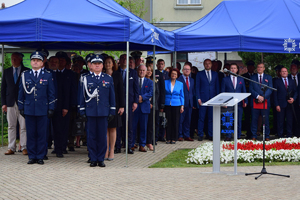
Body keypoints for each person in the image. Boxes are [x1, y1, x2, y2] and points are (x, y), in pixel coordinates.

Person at [18, 51, 55, 164]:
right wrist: (21, 107)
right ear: (31, 62)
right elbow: (21, 92)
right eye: (33, 60)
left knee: (41, 134)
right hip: (29, 109)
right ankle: (32, 156)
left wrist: (51, 108)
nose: (35, 62)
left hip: (42, 109)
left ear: (42, 63)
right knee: (31, 133)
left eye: (38, 60)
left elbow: (51, 93)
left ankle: (40, 156)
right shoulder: (25, 75)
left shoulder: (48, 75)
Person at [79, 54, 115, 167]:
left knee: (102, 137)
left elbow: (112, 96)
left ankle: (101, 158)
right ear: (91, 66)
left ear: (102, 65)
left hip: (103, 112)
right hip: (91, 111)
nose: (97, 65)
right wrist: (82, 110)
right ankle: (93, 158)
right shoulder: (85, 79)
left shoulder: (108, 78)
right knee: (91, 137)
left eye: (99, 63)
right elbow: (81, 96)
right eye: (95, 64)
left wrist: (112, 110)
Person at [1, 52, 29, 155]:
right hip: (10, 103)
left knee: (24, 126)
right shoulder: (7, 71)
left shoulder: (26, 71)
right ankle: (11, 147)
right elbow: (3, 89)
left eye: (15, 59)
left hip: (23, 103)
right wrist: (3, 103)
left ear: (21, 59)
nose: (13, 61)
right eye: (12, 59)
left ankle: (24, 147)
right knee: (11, 125)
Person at [116, 54, 139, 154]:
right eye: (123, 59)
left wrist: (135, 102)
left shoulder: (133, 72)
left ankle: (129, 146)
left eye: (126, 59)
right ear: (119, 61)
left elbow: (136, 88)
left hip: (129, 102)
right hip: (118, 102)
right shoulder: (116, 73)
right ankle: (117, 146)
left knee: (128, 125)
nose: (125, 60)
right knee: (118, 125)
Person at [52, 51, 72, 157]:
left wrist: (67, 106)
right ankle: (56, 147)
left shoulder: (70, 74)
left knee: (63, 129)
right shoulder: (52, 73)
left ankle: (62, 148)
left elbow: (70, 92)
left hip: (64, 106)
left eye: (62, 60)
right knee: (54, 129)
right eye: (58, 60)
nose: (60, 62)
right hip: (53, 106)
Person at [104, 56, 124, 160]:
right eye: (106, 62)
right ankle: (105, 150)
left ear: (113, 64)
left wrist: (122, 106)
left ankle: (112, 150)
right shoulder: (102, 75)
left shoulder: (117, 75)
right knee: (105, 128)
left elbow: (121, 91)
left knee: (113, 128)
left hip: (115, 105)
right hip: (104, 105)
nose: (107, 64)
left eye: (109, 62)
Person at [221, 63, 247, 141]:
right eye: (231, 68)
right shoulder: (225, 79)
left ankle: (238, 135)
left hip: (238, 103)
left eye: (234, 68)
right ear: (229, 70)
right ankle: (228, 135)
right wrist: (223, 102)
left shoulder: (241, 79)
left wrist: (245, 101)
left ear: (237, 70)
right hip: (228, 103)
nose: (233, 69)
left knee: (238, 120)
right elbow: (223, 92)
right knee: (228, 119)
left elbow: (244, 91)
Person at [196, 59, 219, 141]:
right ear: (203, 64)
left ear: (211, 64)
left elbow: (217, 87)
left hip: (212, 98)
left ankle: (211, 134)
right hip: (203, 98)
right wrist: (198, 98)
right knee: (201, 118)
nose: (207, 65)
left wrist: (217, 98)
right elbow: (197, 87)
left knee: (211, 118)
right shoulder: (199, 74)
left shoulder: (215, 74)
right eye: (206, 64)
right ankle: (200, 134)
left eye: (209, 63)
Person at [249, 63, 273, 141]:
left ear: (264, 68)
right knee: (254, 119)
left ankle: (267, 136)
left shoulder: (268, 77)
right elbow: (251, 89)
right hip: (255, 101)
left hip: (265, 101)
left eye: (261, 67)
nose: (259, 68)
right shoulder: (252, 77)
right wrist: (258, 96)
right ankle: (254, 135)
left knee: (265, 120)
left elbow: (270, 89)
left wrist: (263, 97)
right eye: (258, 67)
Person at [132, 65, 153, 152]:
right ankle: (132, 143)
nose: (141, 72)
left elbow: (151, 93)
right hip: (135, 107)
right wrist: (137, 98)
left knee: (143, 127)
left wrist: (142, 97)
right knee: (133, 127)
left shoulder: (149, 82)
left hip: (144, 107)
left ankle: (142, 144)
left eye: (143, 70)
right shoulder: (133, 80)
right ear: (137, 71)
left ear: (146, 71)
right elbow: (131, 91)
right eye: (140, 70)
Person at [273, 67, 298, 138]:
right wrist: (276, 104)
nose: (284, 72)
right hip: (280, 104)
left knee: (289, 120)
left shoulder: (292, 81)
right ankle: (280, 135)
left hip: (290, 104)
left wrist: (293, 99)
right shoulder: (277, 81)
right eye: (282, 71)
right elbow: (275, 94)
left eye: (285, 71)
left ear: (287, 72)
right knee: (280, 121)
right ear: (280, 73)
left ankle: (289, 135)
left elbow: (295, 92)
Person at [145, 64, 165, 149]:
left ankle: (152, 140)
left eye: (150, 70)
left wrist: (153, 103)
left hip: (154, 105)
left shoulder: (155, 81)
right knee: (145, 124)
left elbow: (156, 93)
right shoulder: (143, 80)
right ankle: (145, 141)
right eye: (148, 70)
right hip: (145, 105)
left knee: (153, 124)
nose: (149, 72)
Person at [164, 68, 184, 144]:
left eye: (175, 74)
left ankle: (174, 138)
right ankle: (168, 138)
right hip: (167, 104)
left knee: (175, 121)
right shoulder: (165, 82)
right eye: (172, 73)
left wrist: (182, 105)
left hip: (177, 104)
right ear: (170, 74)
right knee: (168, 121)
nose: (173, 75)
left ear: (177, 75)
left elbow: (182, 95)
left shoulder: (180, 84)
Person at [177, 62, 194, 141]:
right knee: (181, 120)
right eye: (185, 69)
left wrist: (194, 103)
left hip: (190, 103)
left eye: (188, 69)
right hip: (181, 103)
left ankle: (186, 135)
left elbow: (193, 92)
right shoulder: (179, 79)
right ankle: (180, 135)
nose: (187, 71)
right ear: (182, 70)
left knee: (188, 120)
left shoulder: (192, 80)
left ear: (190, 70)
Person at [242, 60, 255, 139]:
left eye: (252, 66)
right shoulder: (243, 76)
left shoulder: (256, 76)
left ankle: (254, 132)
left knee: (254, 117)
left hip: (254, 99)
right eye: (249, 66)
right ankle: (248, 132)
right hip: (246, 99)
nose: (250, 68)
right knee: (247, 117)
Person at [288, 63, 300, 137]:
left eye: (295, 68)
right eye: (292, 68)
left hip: (298, 101)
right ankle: (290, 133)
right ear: (290, 70)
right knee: (290, 118)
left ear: (297, 69)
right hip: (289, 101)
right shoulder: (287, 77)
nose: (294, 69)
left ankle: (298, 133)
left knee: (298, 117)